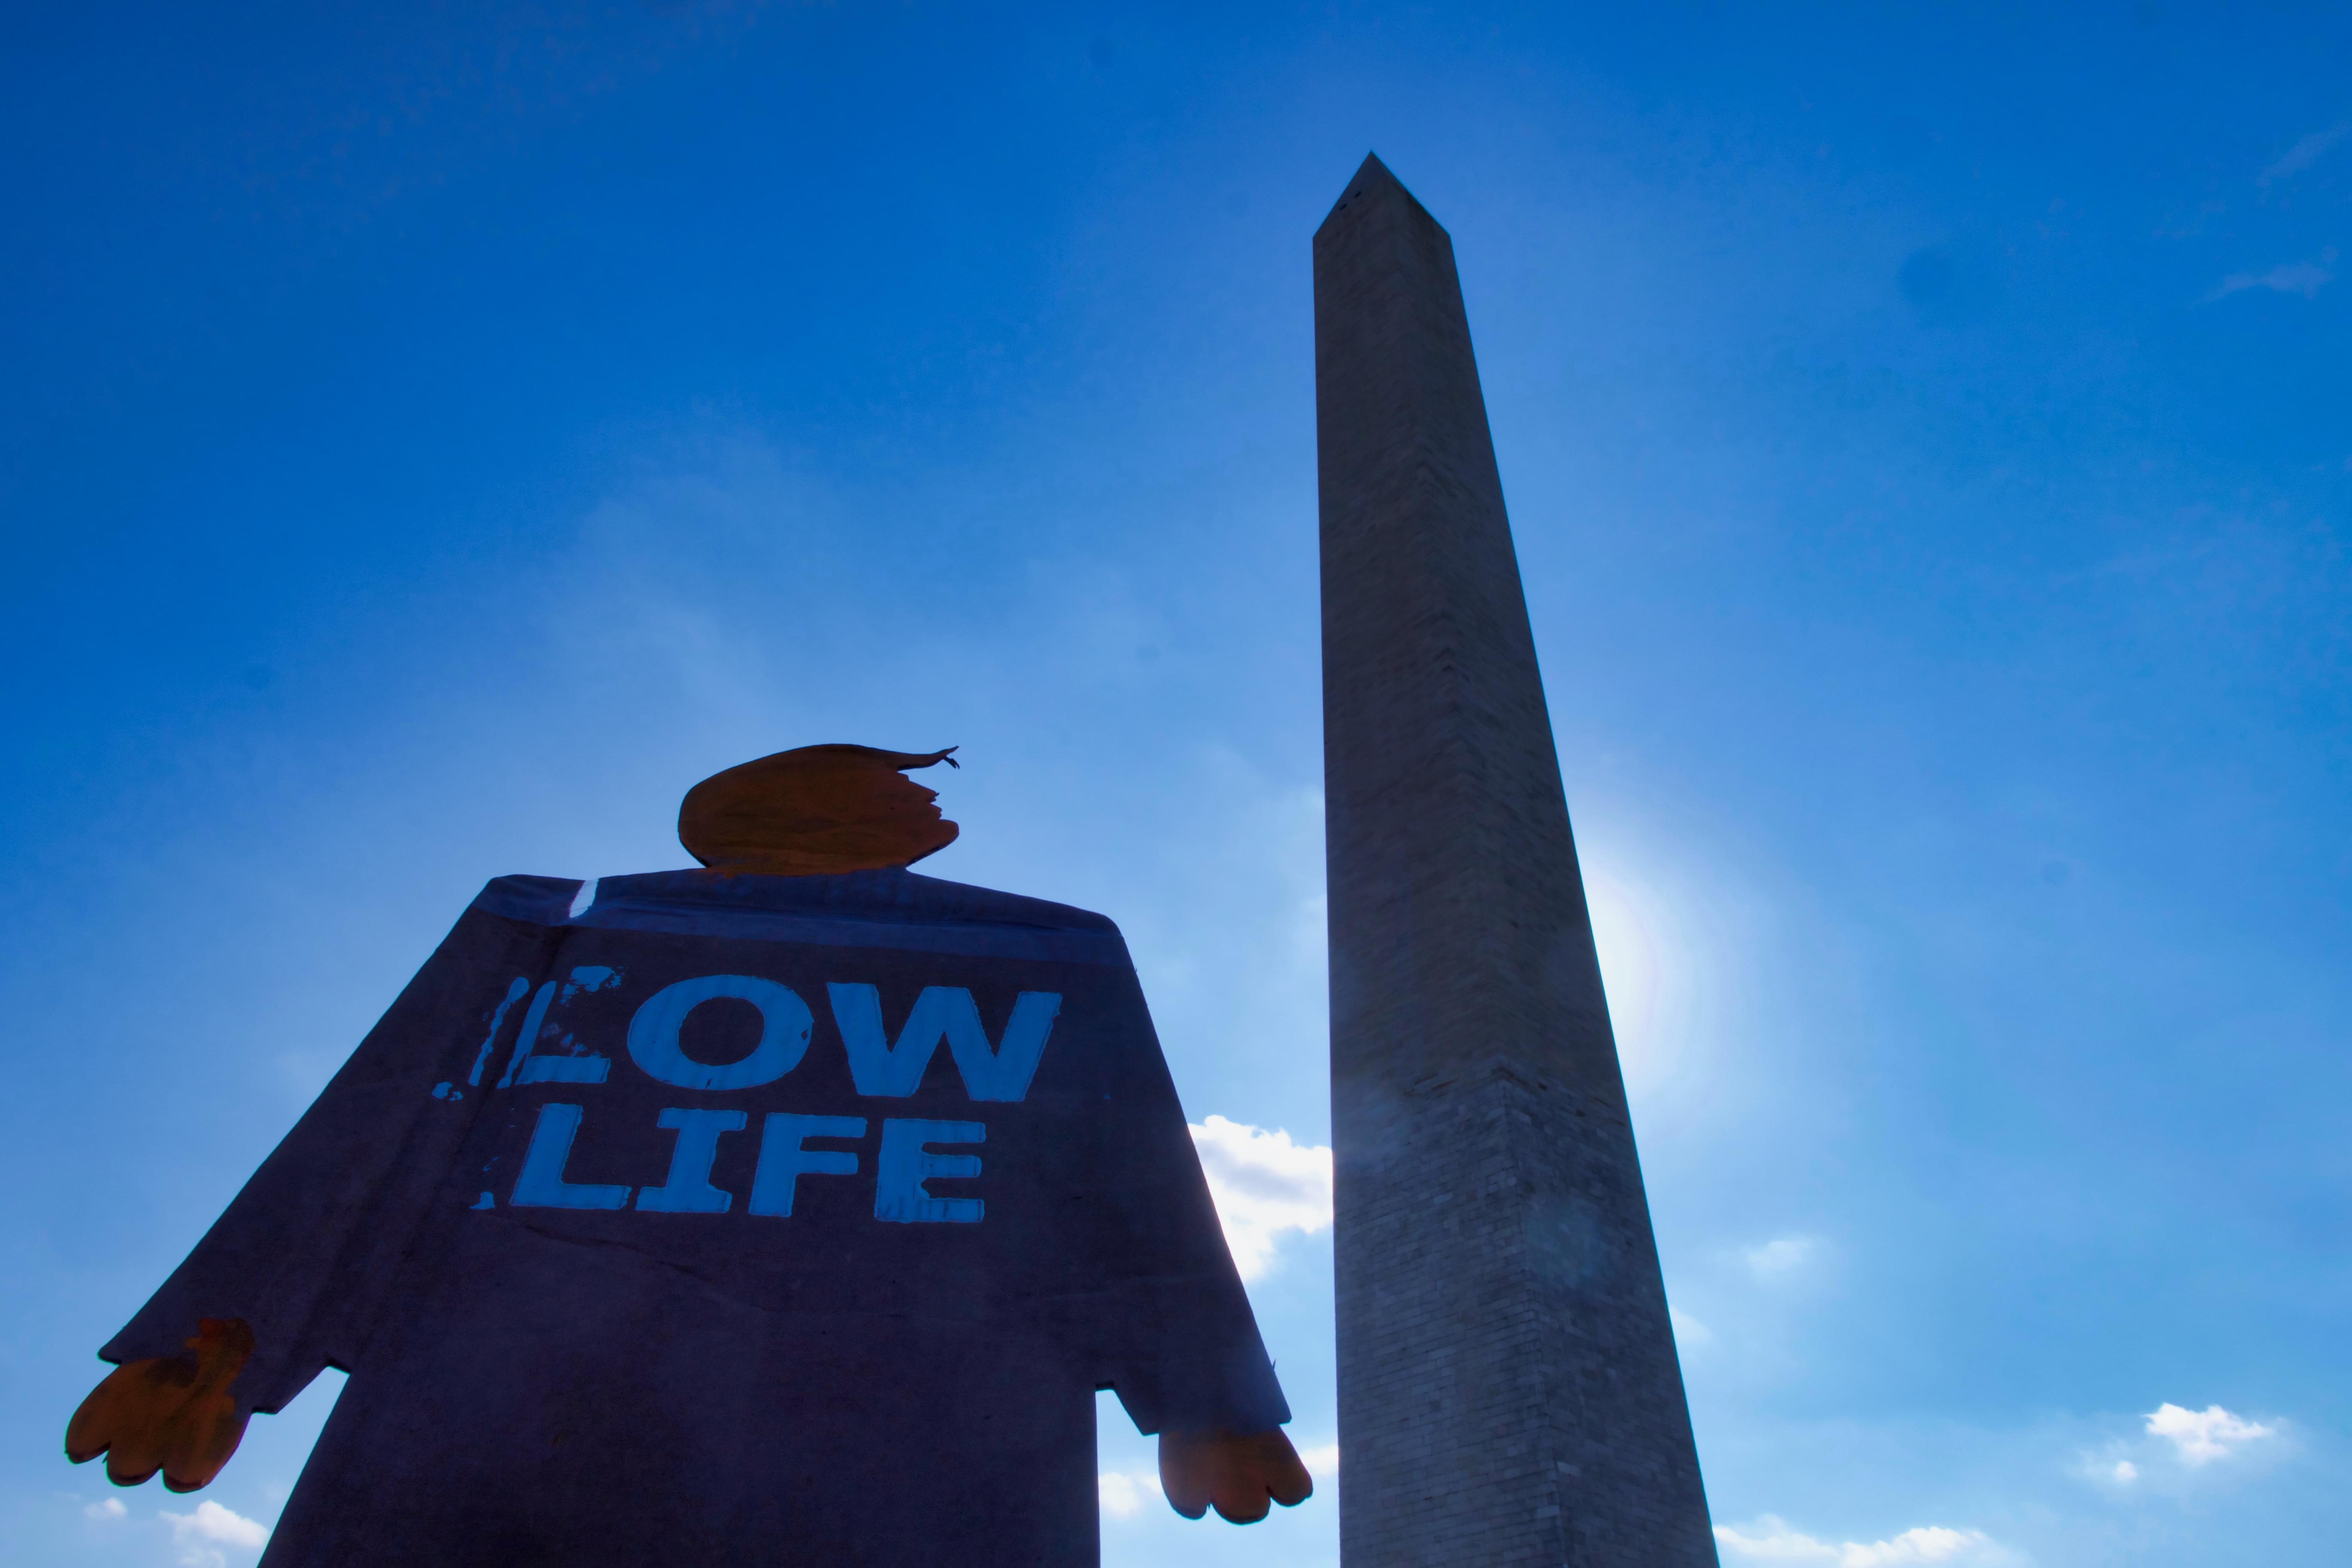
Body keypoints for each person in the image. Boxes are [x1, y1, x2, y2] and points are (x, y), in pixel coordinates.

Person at [67, 744, 1311, 1565]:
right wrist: (217, 1344)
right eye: (898, 786)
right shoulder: (546, 930)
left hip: (880, 1453)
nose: (934, 804)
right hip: (527, 1437)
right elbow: (383, 1128)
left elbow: (1124, 1170)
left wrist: (1208, 1399)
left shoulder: (1055, 952)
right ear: (823, 814)